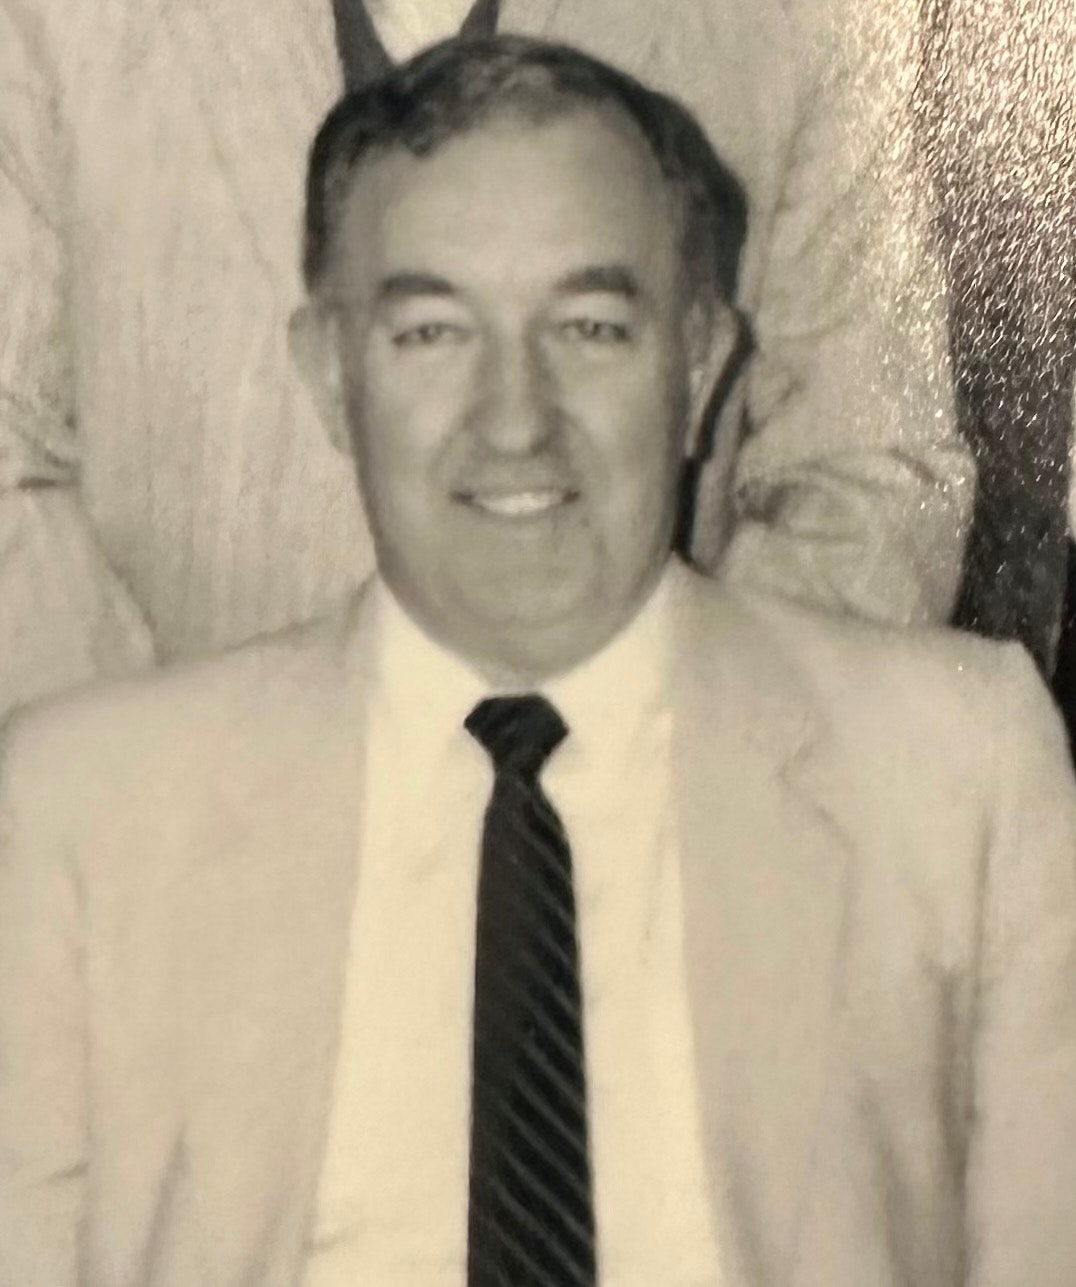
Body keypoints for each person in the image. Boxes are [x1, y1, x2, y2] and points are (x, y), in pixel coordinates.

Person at [2, 38, 1072, 1287]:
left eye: (589, 328)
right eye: (431, 334)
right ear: (329, 378)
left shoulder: (957, 783)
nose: (514, 419)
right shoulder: (85, 815)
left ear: (700, 364)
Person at [0, 0, 973, 719]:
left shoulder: (806, 18)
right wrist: (165, 791)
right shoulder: (53, 21)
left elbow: (867, 479)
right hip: (176, 866)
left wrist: (672, 775)